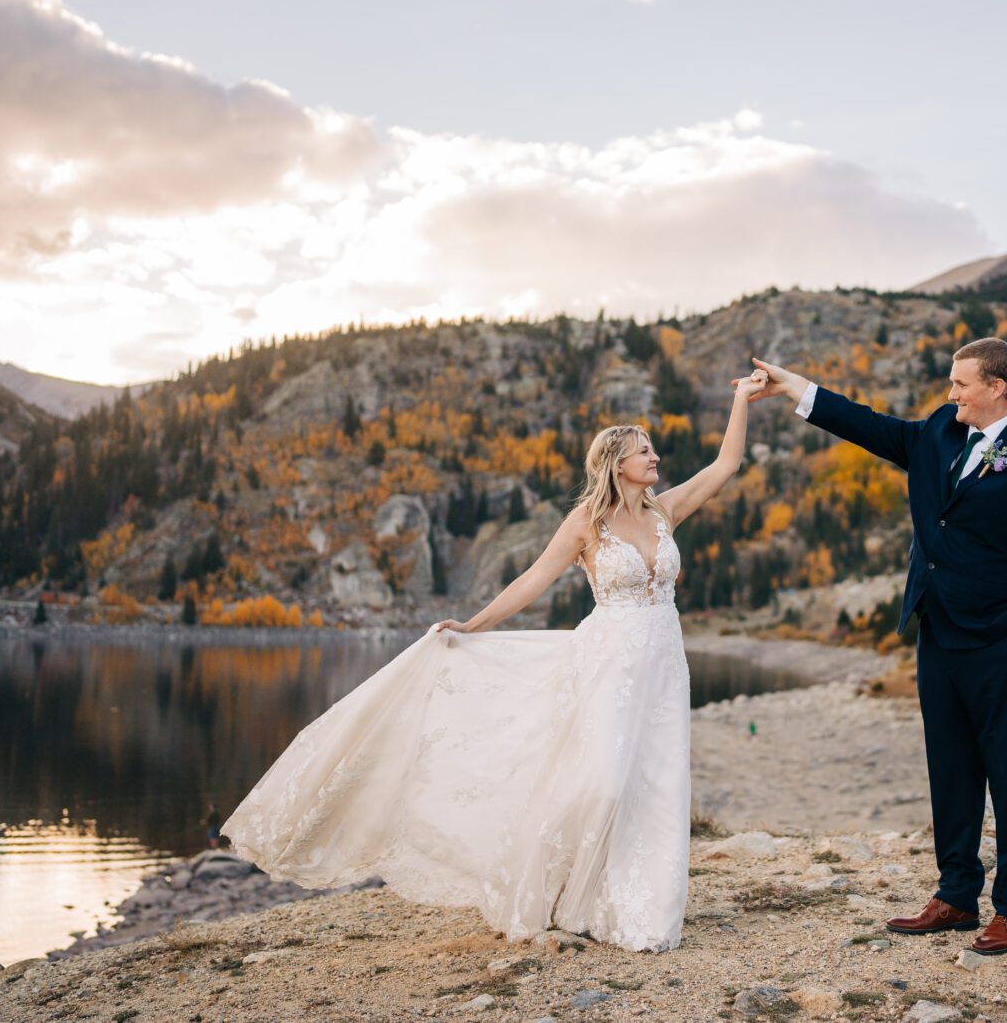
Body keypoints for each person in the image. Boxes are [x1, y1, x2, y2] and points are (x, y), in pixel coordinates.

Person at [221, 369, 767, 952]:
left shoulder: (666, 512)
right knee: (603, 783)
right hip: (607, 663)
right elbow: (532, 579)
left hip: (663, 664)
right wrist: (474, 624)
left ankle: (639, 910)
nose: (656, 457)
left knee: (655, 783)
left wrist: (741, 401)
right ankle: (557, 889)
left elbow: (726, 465)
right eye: (644, 451)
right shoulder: (586, 523)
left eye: (652, 450)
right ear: (615, 463)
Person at [748, 339, 1007, 956]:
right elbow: (866, 424)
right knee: (950, 769)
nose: (950, 393)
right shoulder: (936, 435)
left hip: (1003, 643)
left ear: (998, 389)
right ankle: (956, 894)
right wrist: (796, 386)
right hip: (938, 632)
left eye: (961, 384)